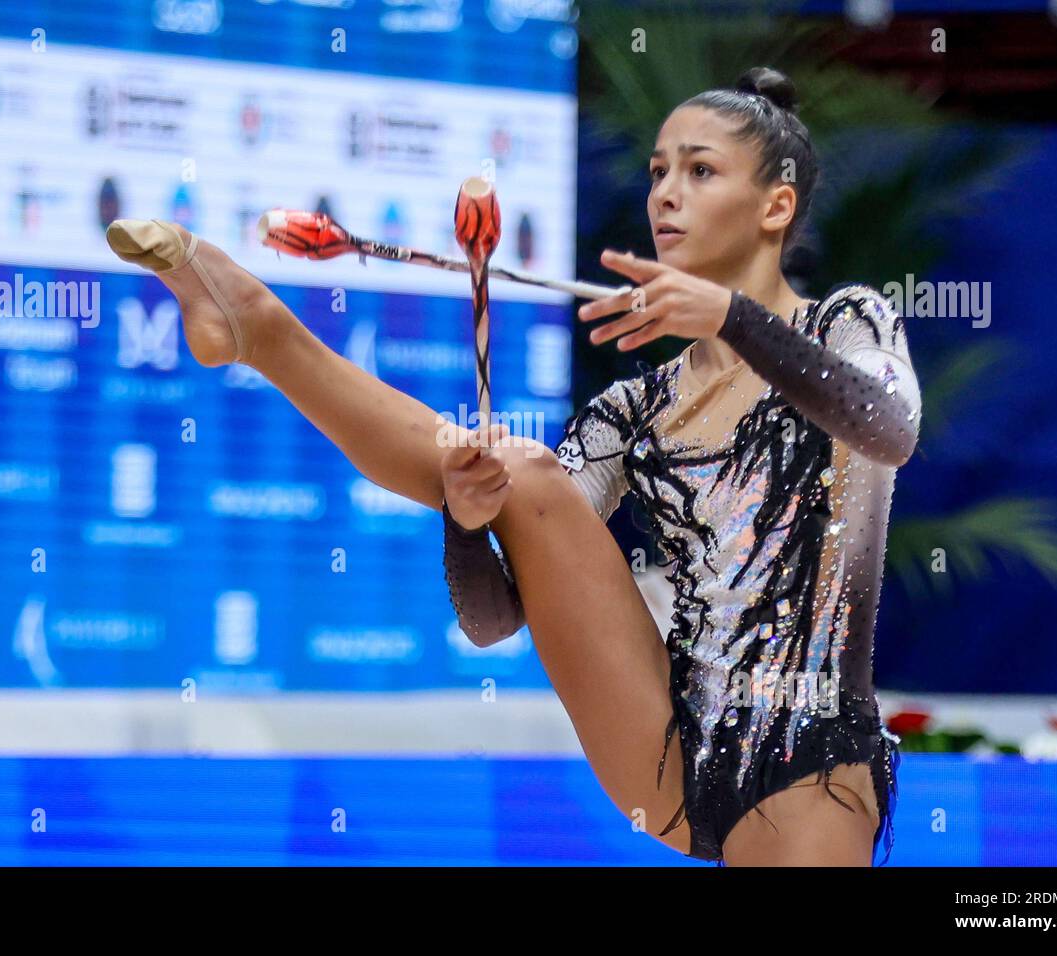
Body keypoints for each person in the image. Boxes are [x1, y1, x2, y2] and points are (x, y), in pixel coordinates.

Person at [103, 65, 919, 866]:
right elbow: (494, 619)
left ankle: (256, 325)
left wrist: (735, 318)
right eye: (659, 170)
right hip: (664, 750)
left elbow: (890, 429)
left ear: (776, 205)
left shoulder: (847, 322)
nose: (665, 193)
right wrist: (465, 520)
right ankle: (261, 327)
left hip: (806, 749)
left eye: (700, 171)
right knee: (517, 470)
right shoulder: (634, 410)